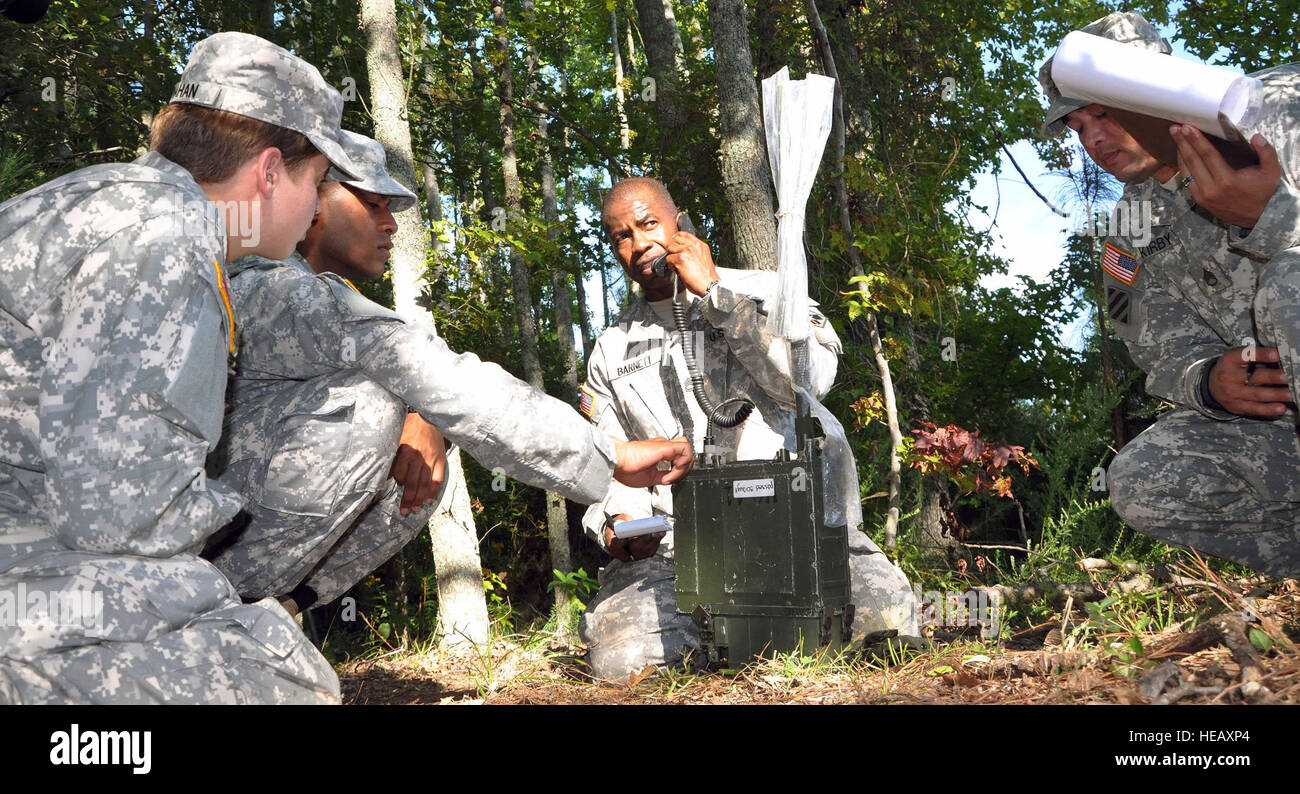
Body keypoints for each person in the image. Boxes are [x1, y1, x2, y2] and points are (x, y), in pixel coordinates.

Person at [0, 32, 363, 704]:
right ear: (270, 169)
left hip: (32, 542)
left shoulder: (116, 200)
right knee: (282, 681)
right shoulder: (166, 240)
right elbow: (119, 522)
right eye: (319, 181)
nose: (318, 208)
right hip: (25, 575)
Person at [207, 134, 696, 615]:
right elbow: (453, 384)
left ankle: (281, 610)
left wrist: (423, 415)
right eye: (374, 205)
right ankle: (215, 610)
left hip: (221, 513)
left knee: (422, 443)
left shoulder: (301, 290)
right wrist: (611, 455)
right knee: (374, 409)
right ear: (314, 200)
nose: (390, 225)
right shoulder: (278, 293)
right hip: (183, 541)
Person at [576, 177, 920, 681]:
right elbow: (602, 460)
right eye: (621, 236)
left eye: (648, 223)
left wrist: (717, 296)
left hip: (805, 535)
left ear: (680, 222)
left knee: (887, 628)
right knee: (625, 662)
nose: (639, 243)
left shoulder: (767, 290)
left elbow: (809, 381)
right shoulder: (612, 348)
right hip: (680, 554)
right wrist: (615, 521)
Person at [1038, 11, 1300, 577]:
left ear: (1155, 88)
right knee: (1142, 479)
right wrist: (1207, 380)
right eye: (1077, 126)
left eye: (1104, 113)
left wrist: (1270, 217)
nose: (1094, 139)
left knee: (1288, 290)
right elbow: (1146, 345)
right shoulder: (1122, 238)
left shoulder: (1280, 110)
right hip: (1281, 423)